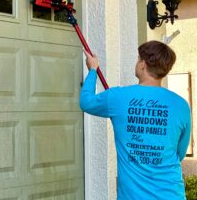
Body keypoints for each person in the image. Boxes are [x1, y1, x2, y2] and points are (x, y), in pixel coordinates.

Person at [80, 40, 191, 200]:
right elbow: (179, 154)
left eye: (138, 58)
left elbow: (86, 102)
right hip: (172, 194)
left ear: (142, 64)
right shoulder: (181, 105)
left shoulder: (117, 97)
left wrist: (92, 70)